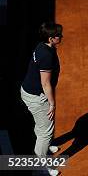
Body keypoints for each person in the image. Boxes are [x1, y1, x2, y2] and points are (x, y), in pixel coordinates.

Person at [20, 22, 63, 176]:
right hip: (38, 98)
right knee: (45, 132)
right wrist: (52, 103)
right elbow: (45, 83)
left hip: (30, 92)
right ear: (51, 38)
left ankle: (47, 146)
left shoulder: (43, 46)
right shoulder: (46, 55)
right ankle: (40, 166)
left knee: (43, 125)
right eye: (58, 35)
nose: (61, 37)